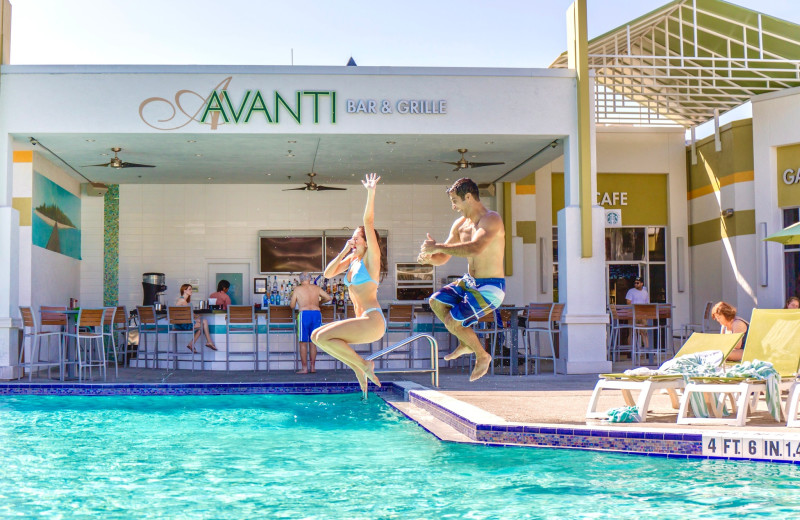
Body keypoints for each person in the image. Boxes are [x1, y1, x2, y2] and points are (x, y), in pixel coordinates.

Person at [417, 177, 506, 382]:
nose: (454, 206)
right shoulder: (460, 225)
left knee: (454, 323)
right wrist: (428, 258)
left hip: (490, 287)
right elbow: (442, 257)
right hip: (469, 282)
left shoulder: (491, 219)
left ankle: (482, 354)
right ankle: (466, 343)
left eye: (455, 201)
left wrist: (437, 246)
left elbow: (476, 247)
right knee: (435, 301)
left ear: (468, 197)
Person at [311, 173, 384, 398]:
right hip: (363, 321)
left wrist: (371, 193)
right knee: (316, 336)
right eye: (351, 238)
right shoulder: (353, 261)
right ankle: (357, 366)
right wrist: (344, 250)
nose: (353, 241)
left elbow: (368, 222)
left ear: (366, 241)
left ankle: (363, 364)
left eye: (356, 238)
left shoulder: (372, 259)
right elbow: (328, 273)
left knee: (322, 338)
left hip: (372, 320)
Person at [290, 272, 332, 374]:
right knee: (313, 341)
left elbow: (292, 305)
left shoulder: (297, 289)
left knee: (303, 342)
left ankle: (304, 368)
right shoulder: (316, 288)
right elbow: (329, 298)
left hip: (304, 314)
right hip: (317, 314)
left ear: (300, 280)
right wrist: (318, 303)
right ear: (310, 278)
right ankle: (313, 367)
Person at [175, 283, 217, 352]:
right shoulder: (183, 301)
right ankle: (209, 342)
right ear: (184, 291)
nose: (191, 291)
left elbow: (188, 313)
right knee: (204, 321)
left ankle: (191, 344)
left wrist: (196, 316)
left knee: (202, 326)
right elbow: (190, 314)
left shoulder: (181, 300)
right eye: (189, 289)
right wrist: (197, 316)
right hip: (183, 324)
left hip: (180, 323)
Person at [625, 276, 650, 349]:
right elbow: (628, 302)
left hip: (642, 314)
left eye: (637, 283)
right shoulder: (631, 291)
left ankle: (647, 350)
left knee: (644, 332)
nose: (636, 284)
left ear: (642, 283)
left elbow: (647, 304)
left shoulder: (645, 292)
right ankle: (630, 350)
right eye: (635, 283)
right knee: (632, 332)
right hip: (633, 314)